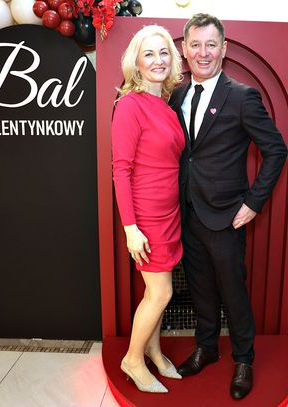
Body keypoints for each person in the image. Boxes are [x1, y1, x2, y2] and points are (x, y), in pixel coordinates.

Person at [169, 14, 288, 400]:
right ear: (185, 50)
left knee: (232, 290)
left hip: (225, 215)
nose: (203, 53)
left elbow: (276, 150)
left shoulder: (242, 96)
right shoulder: (177, 95)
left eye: (211, 45)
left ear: (224, 48)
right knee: (199, 286)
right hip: (187, 211)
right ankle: (206, 347)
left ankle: (244, 359)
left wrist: (253, 203)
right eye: (195, 45)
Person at [111, 25, 185, 393]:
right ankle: (132, 359)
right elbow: (120, 170)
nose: (158, 60)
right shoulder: (130, 104)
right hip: (146, 218)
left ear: (172, 59)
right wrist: (130, 228)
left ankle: (153, 352)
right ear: (136, 63)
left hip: (169, 213)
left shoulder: (165, 105)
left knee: (154, 294)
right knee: (161, 294)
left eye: (164, 52)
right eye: (149, 54)